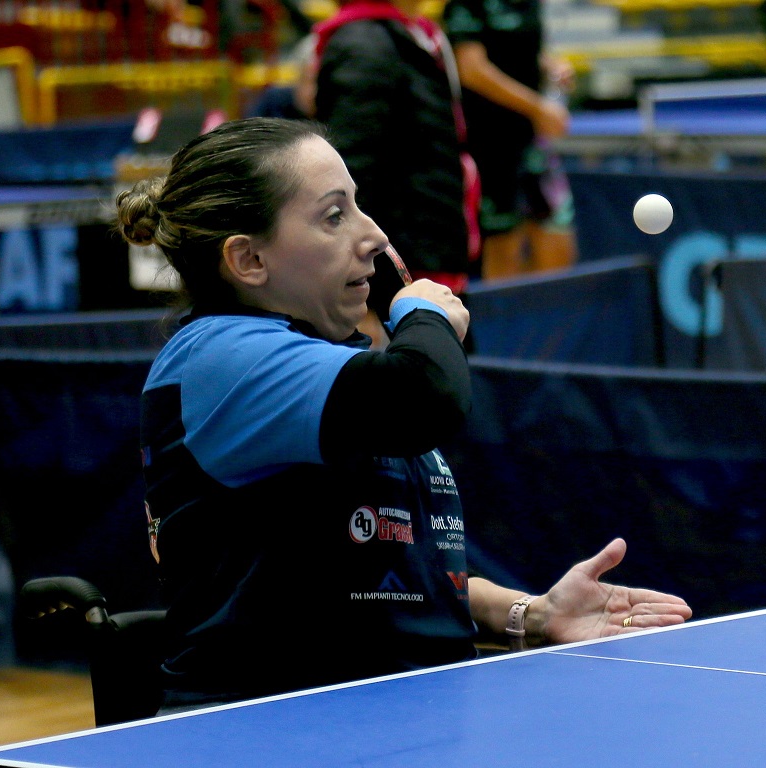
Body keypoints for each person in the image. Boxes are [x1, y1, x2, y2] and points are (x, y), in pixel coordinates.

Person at [116, 117, 692, 713]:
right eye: (333, 216)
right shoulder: (219, 358)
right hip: (267, 729)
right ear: (249, 259)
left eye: (357, 206)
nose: (374, 236)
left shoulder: (331, 368)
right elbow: (425, 395)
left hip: (395, 719)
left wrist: (532, 613)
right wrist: (425, 317)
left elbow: (389, 582)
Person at [312, 0, 481, 345]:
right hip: (397, 276)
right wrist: (358, 295)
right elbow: (350, 178)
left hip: (431, 257)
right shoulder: (363, 44)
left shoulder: (413, 35)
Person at [442, 0, 578, 280]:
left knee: (559, 244)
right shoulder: (466, 5)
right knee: (504, 252)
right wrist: (537, 108)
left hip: (534, 144)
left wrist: (550, 66)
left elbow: (520, 49)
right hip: (490, 145)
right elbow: (471, 69)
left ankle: (547, 311)